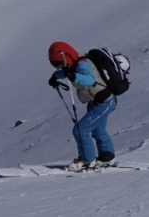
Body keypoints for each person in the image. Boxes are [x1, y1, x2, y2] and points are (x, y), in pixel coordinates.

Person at [47, 41, 118, 171]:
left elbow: (89, 80)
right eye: (56, 65)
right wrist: (55, 76)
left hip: (105, 102)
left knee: (80, 130)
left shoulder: (83, 64)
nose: (59, 67)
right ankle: (107, 157)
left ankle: (87, 160)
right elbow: (66, 72)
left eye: (59, 64)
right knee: (98, 130)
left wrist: (72, 76)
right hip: (97, 102)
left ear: (66, 56)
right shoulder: (73, 64)